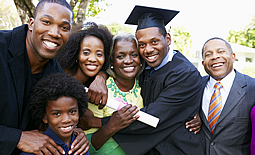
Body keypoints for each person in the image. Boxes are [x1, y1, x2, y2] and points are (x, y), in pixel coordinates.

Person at [85, 5, 205, 155]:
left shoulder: (184, 73)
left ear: (167, 39)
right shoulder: (146, 68)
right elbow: (119, 65)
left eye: (154, 41)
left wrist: (99, 122)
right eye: (142, 44)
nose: (148, 50)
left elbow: (153, 118)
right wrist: (100, 76)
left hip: (178, 149)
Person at [0, 0, 89, 154]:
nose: (55, 33)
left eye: (64, 27)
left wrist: (73, 135)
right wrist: (17, 138)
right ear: (31, 23)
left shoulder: (57, 76)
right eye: (47, 22)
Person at [85, 33, 144, 155]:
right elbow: (88, 145)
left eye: (134, 55)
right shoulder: (100, 91)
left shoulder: (146, 86)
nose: (128, 61)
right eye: (120, 56)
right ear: (112, 61)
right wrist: (111, 126)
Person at [199, 37, 255, 155]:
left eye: (221, 51)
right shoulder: (195, 87)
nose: (215, 57)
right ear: (203, 63)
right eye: (208, 54)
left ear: (233, 56)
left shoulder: (252, 87)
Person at [20, 73, 89, 155]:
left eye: (72, 112)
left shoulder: (81, 145)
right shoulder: (35, 150)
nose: (66, 119)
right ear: (44, 117)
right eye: (56, 114)